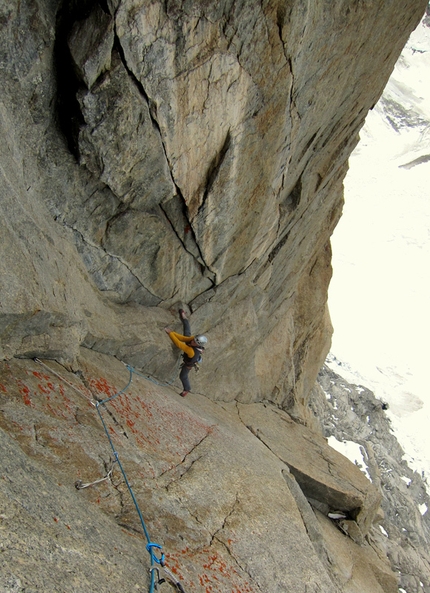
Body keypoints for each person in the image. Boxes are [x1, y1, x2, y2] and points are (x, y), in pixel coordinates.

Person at [165, 309, 208, 397]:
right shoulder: (193, 341)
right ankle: (184, 317)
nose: (192, 341)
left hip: (188, 364)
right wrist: (172, 333)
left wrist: (170, 333)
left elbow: (179, 344)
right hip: (191, 353)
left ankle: (187, 389)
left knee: (183, 376)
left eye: (194, 342)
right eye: (194, 339)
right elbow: (183, 338)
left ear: (197, 344)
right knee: (187, 331)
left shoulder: (191, 351)